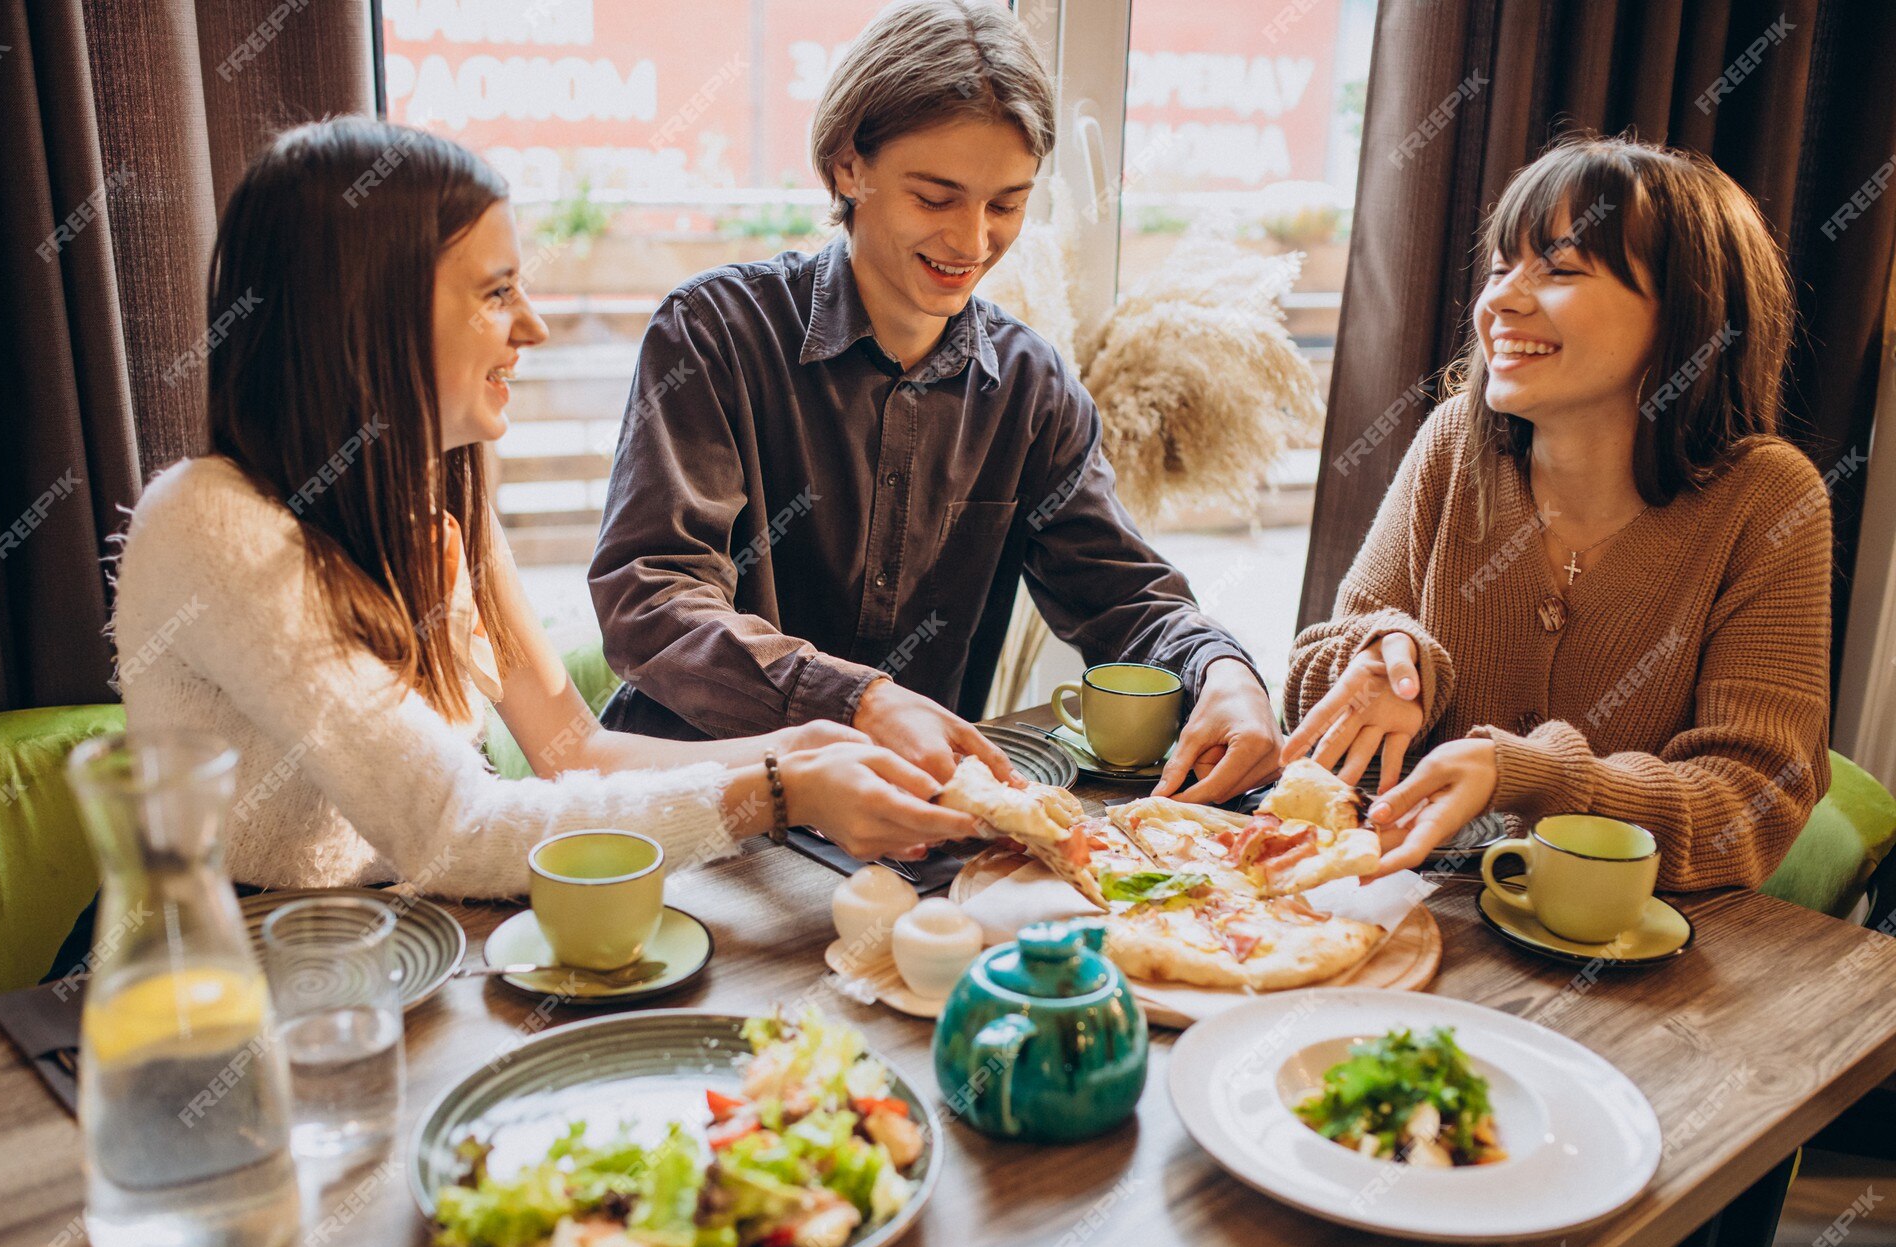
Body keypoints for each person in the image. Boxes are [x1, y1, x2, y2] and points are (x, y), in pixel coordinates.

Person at [109, 117, 979, 900]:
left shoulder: (430, 490)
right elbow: (455, 830)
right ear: (366, 318)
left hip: (395, 947)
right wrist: (776, 794)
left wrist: (806, 749)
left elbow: (574, 752)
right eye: (496, 293)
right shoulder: (211, 524)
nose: (534, 327)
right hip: (217, 975)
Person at [588, 0, 1282, 804]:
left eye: (1007, 204)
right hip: (701, 809)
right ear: (849, 166)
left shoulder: (1033, 389)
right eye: (936, 197)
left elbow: (1124, 597)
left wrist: (1221, 667)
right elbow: (652, 598)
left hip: (907, 823)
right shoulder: (713, 333)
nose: (973, 241)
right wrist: (860, 701)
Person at [1284, 134, 1831, 891]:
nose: (1502, 300)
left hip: (1624, 963)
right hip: (1405, 908)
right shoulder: (1453, 445)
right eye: (1503, 266)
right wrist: (1379, 661)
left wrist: (1537, 775)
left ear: (1687, 313)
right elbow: (1314, 686)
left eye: (1562, 269)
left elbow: (1753, 799)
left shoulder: (1769, 501)